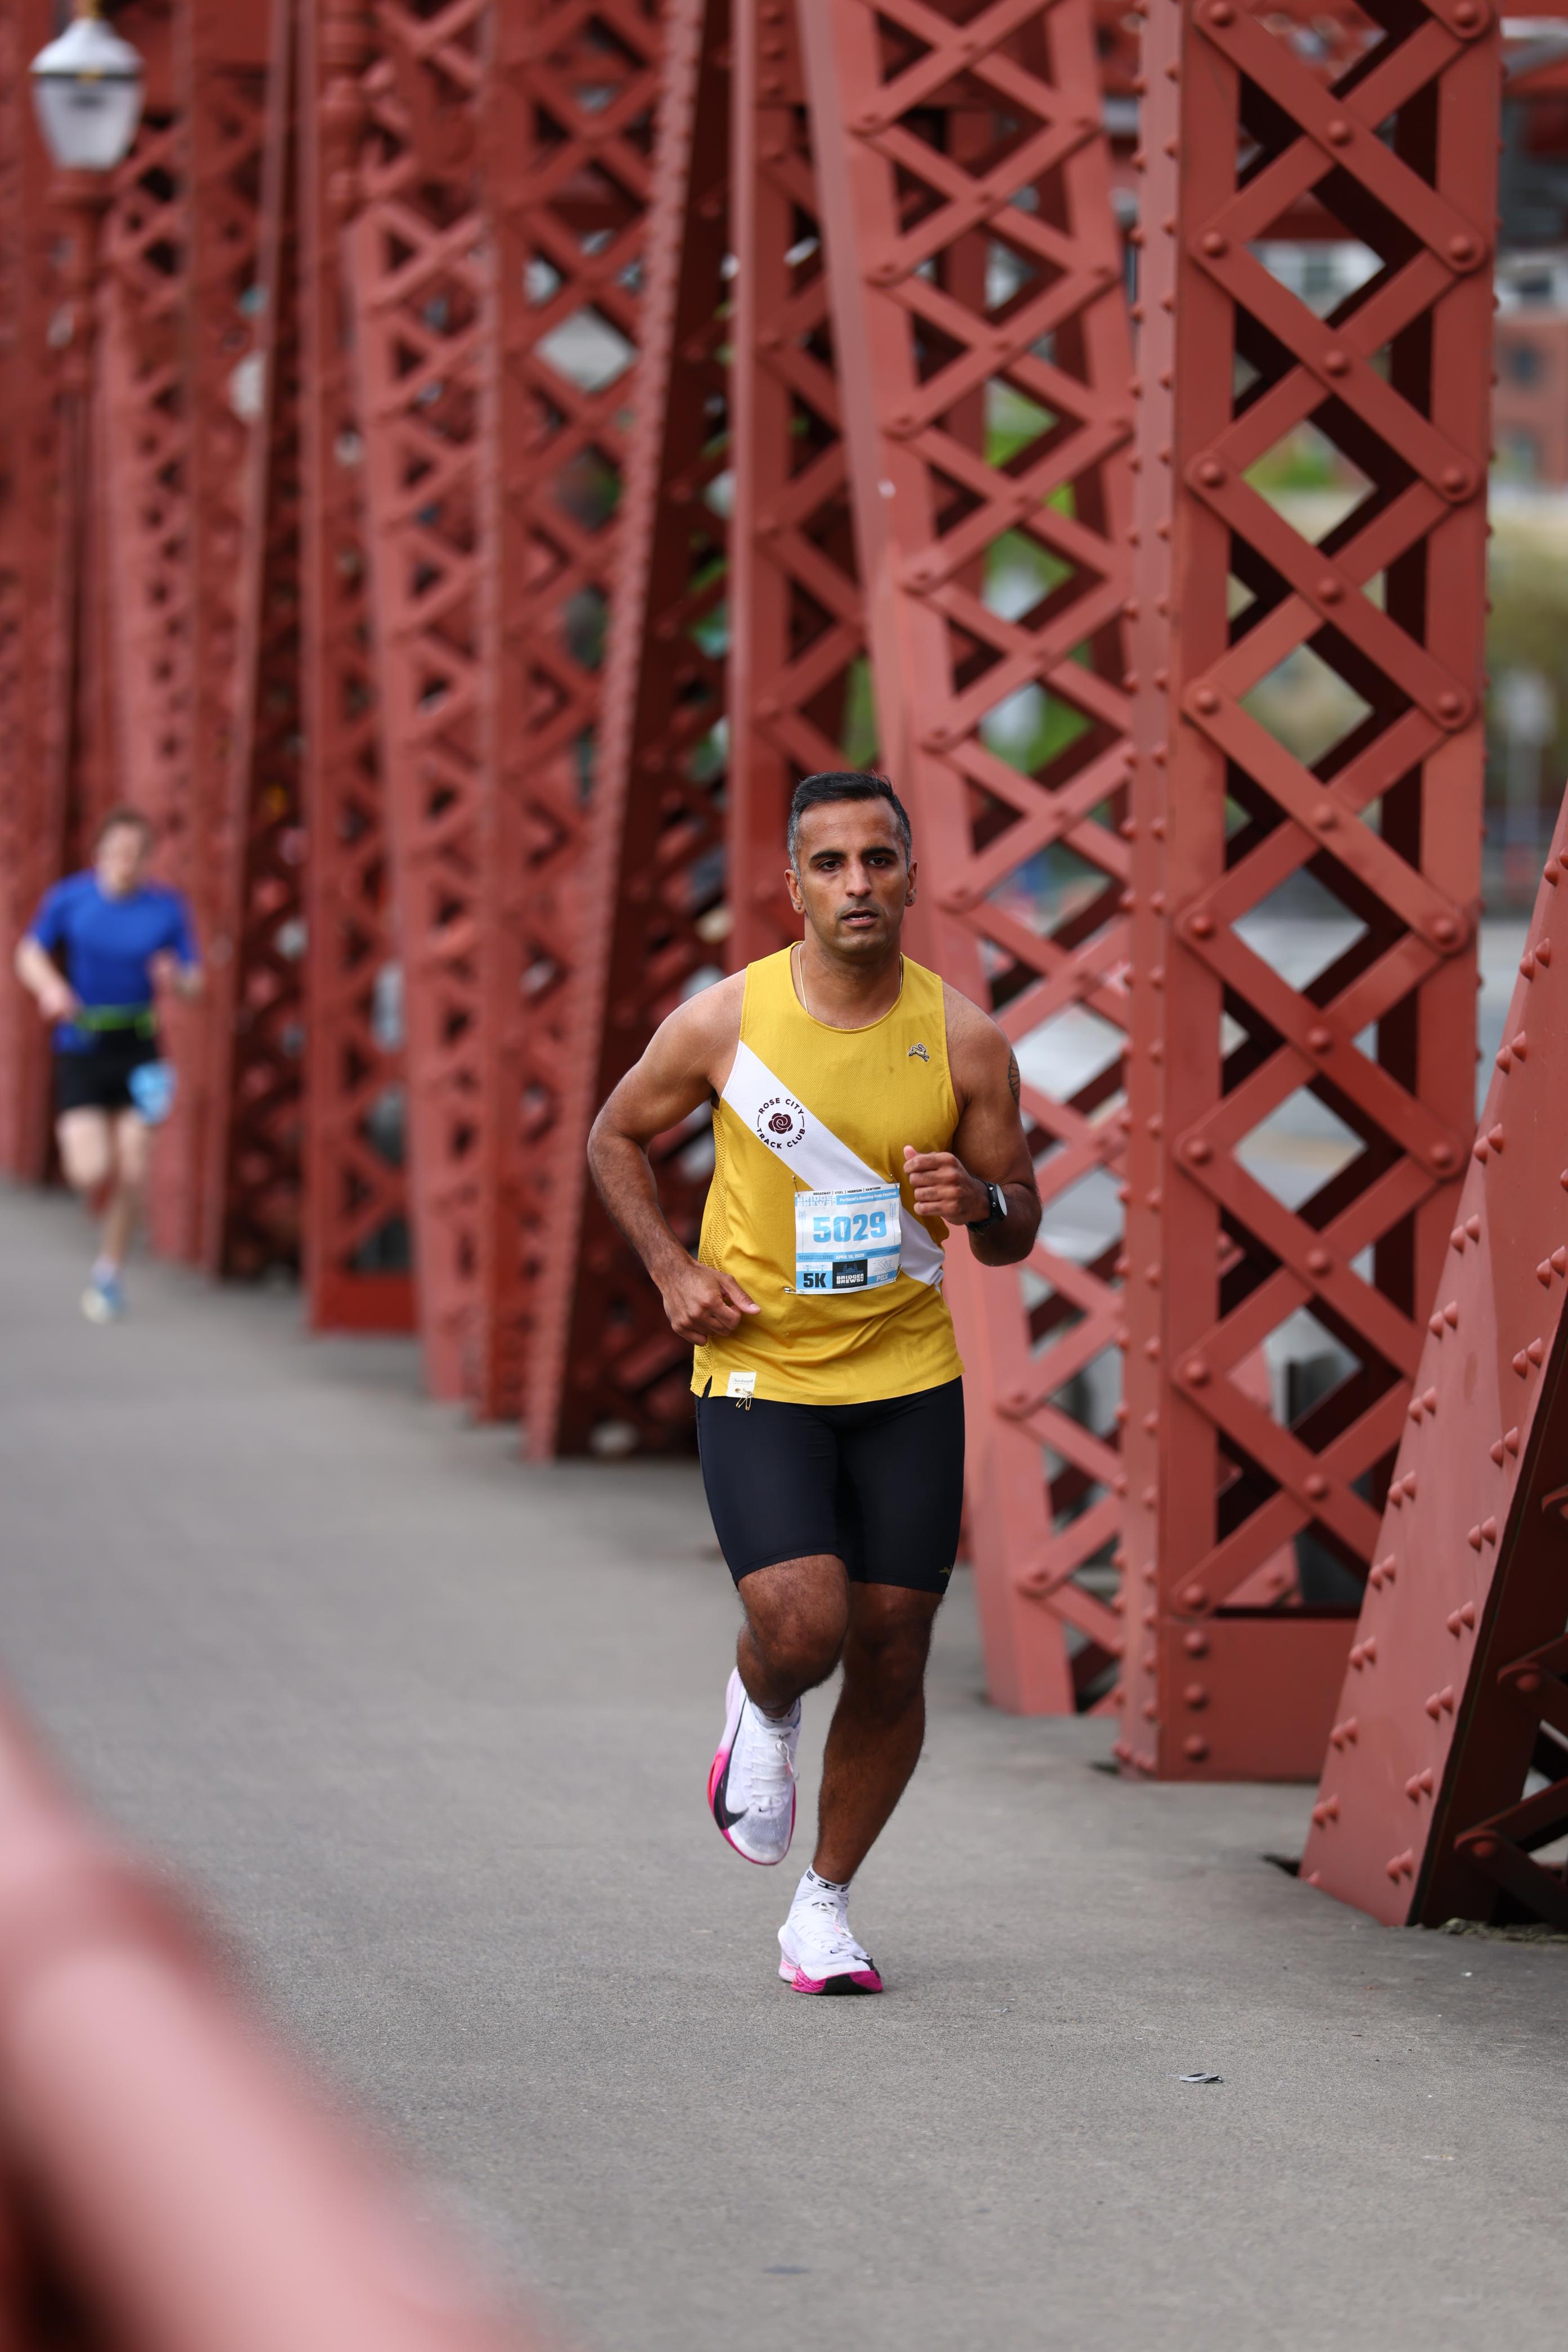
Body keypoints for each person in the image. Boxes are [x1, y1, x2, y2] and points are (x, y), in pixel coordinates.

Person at [589, 770, 1040, 1993]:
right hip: (760, 1367)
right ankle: (763, 1697)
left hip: (906, 1373)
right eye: (830, 864)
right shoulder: (723, 1022)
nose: (856, 884)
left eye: (877, 860)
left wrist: (978, 1201)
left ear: (909, 878)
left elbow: (1016, 1224)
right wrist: (671, 1269)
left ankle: (823, 1909)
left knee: (893, 1647)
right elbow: (613, 1135)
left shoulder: (964, 1039)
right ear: (792, 886)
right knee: (806, 1626)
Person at [14, 807, 202, 1322]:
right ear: (99, 853)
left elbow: (196, 982)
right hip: (83, 1043)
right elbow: (28, 953)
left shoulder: (166, 908)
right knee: (91, 1169)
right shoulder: (70, 899)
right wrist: (52, 988)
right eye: (118, 851)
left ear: (147, 859)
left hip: (139, 1047)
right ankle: (95, 1195)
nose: (126, 862)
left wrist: (175, 978)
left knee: (135, 1166)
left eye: (136, 854)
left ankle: (109, 1271)